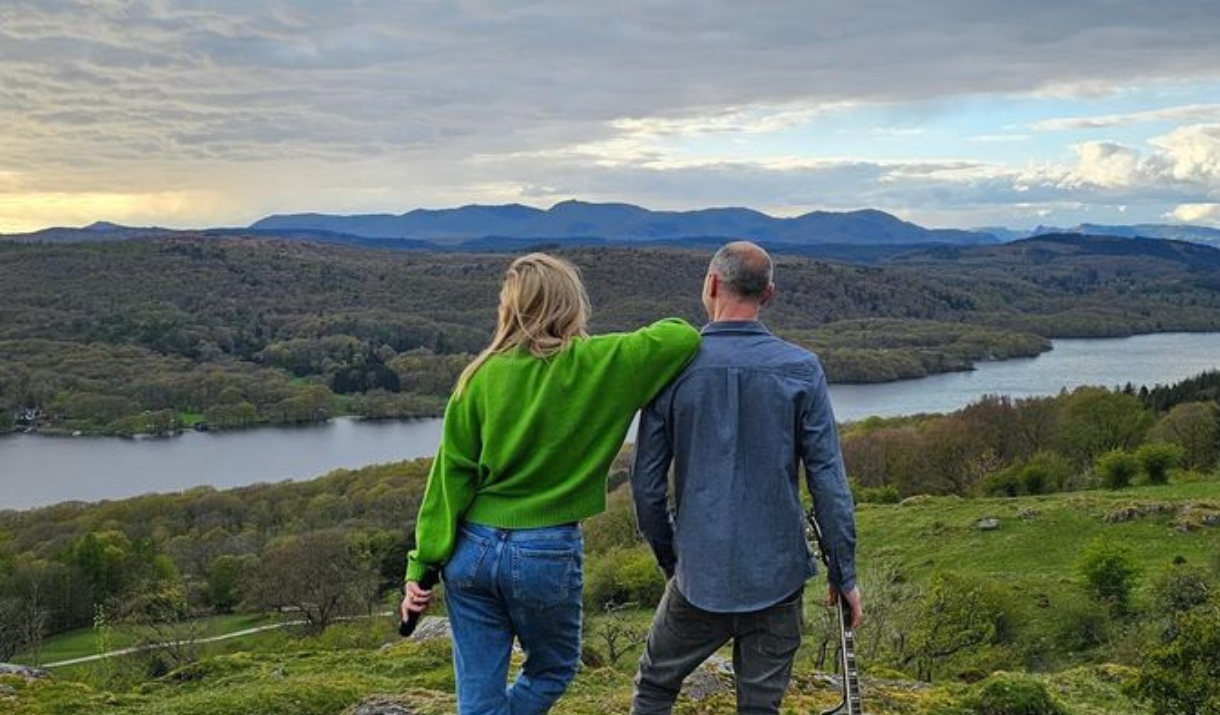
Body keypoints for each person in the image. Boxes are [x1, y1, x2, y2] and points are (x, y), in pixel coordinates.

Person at [401, 252, 700, 715]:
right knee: (553, 668)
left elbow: (449, 480)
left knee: (477, 699)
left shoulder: (479, 376)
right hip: (544, 550)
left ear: (509, 307)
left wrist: (421, 568)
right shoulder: (600, 363)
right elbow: (680, 336)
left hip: (471, 549)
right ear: (571, 305)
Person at [630, 241, 862, 715]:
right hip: (777, 575)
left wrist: (673, 562)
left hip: (699, 576)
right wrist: (844, 573)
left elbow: (647, 487)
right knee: (760, 707)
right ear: (769, 294)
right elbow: (829, 482)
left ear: (712, 285)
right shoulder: (801, 368)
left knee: (655, 686)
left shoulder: (671, 369)